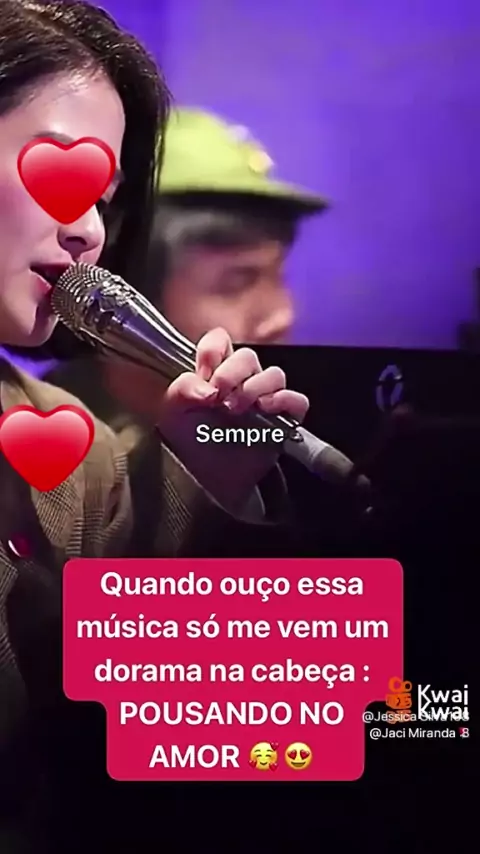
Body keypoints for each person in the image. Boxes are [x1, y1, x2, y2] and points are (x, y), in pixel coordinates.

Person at [0, 2, 309, 850]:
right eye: (57, 173)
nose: (89, 230)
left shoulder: (75, 452)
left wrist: (209, 486)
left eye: (104, 200)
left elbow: (160, 741)